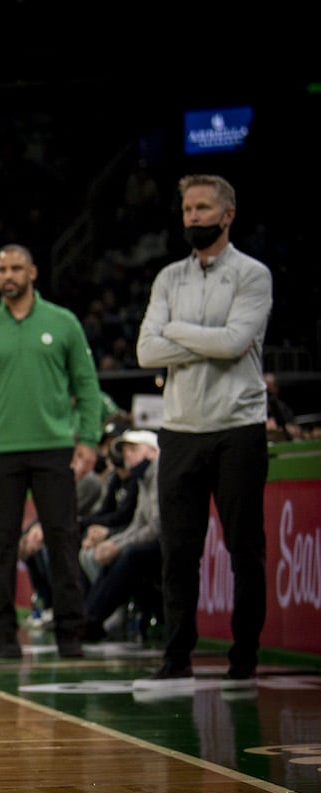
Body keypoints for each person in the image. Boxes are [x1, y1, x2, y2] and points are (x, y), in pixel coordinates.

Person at [134, 174, 272, 689]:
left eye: (203, 208)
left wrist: (176, 333)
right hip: (180, 430)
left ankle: (244, 657)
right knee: (178, 553)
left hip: (238, 426)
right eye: (188, 208)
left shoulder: (253, 275)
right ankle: (176, 658)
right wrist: (206, 341)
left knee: (245, 548)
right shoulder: (169, 277)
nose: (192, 216)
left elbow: (237, 343)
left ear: (227, 214)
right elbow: (147, 352)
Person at [0, 243, 104, 660]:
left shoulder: (63, 322)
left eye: (16, 267)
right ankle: (3, 635)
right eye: (1, 269)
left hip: (54, 448)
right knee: (0, 544)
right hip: (0, 451)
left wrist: (88, 439)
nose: (8, 275)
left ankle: (71, 633)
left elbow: (87, 386)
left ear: (33, 272)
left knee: (63, 539)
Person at [79, 430, 162, 643]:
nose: (128, 457)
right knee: (111, 552)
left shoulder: (159, 474)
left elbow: (156, 527)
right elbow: (136, 525)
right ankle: (88, 618)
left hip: (166, 543)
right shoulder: (142, 478)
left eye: (134, 450)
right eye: (125, 452)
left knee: (129, 554)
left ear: (152, 452)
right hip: (147, 540)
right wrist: (114, 542)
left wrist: (118, 545)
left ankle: (94, 619)